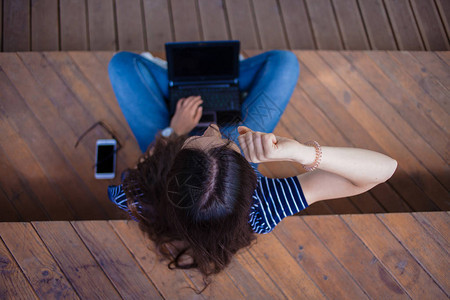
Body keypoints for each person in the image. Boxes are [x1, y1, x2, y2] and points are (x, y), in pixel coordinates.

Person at [107, 50, 397, 289]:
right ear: (249, 174)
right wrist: (300, 152)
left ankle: (180, 83)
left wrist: (174, 133)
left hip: (164, 140)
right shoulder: (262, 207)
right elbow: (384, 169)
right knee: (284, 63)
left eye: (202, 138)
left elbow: (138, 174)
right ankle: (215, 87)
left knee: (121, 66)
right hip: (231, 141)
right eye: (221, 139)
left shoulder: (136, 196)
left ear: (172, 173)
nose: (213, 126)